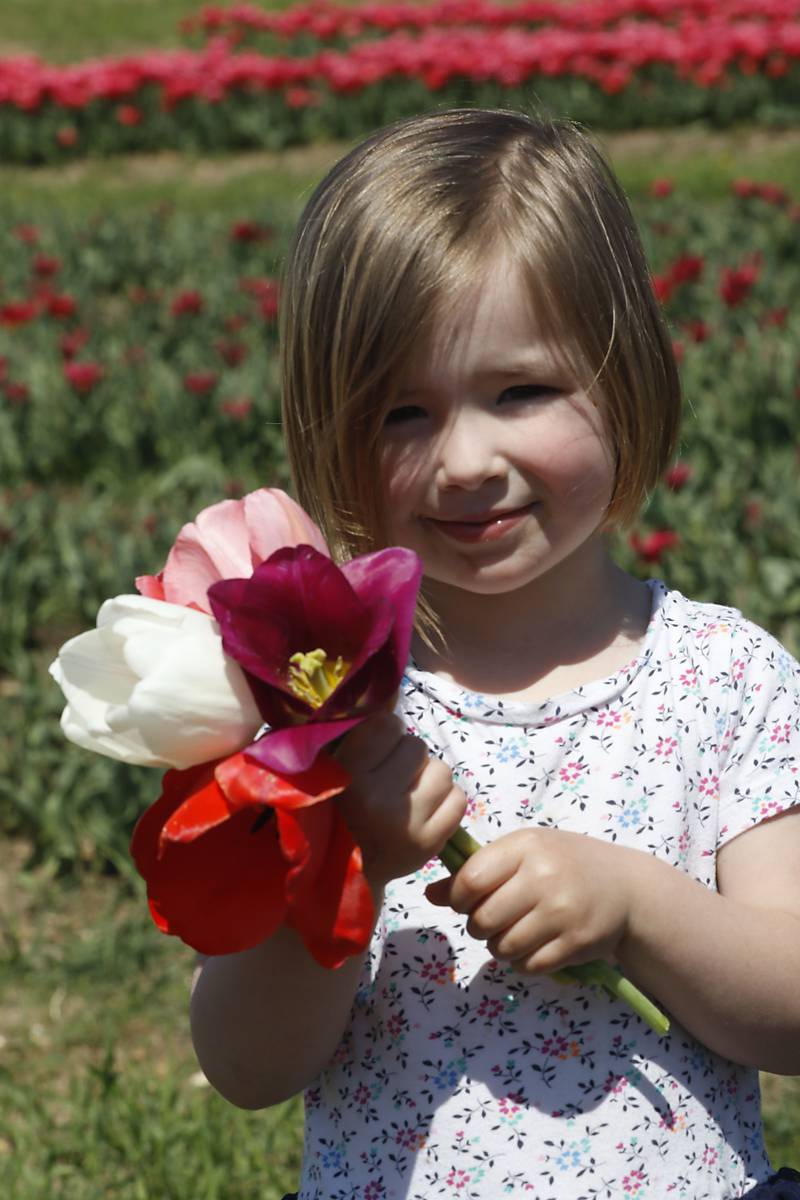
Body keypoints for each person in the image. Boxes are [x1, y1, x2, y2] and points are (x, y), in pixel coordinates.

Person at [189, 108, 800, 1199]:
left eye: (519, 390)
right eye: (400, 414)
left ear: (623, 377)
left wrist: (639, 908)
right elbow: (243, 1068)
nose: (465, 460)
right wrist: (342, 874)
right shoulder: (318, 718)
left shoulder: (719, 679)